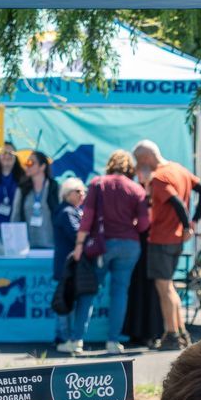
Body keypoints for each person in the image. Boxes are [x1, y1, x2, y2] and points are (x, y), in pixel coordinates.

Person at [72, 150, 150, 355]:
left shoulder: (98, 183)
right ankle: (113, 342)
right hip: (130, 246)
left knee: (89, 290)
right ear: (129, 168)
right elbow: (143, 225)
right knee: (120, 292)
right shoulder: (137, 189)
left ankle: (76, 339)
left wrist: (79, 244)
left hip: (102, 246)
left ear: (110, 164)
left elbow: (87, 218)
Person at [136, 138, 201, 352]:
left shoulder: (160, 177)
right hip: (174, 240)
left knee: (164, 288)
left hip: (162, 238)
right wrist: (193, 222)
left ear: (147, 157)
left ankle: (171, 334)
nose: (139, 166)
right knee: (169, 287)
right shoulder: (179, 169)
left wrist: (187, 226)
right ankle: (180, 331)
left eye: (139, 161)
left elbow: (175, 202)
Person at [52, 179, 89, 354]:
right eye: (78, 191)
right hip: (65, 268)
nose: (82, 194)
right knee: (64, 303)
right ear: (67, 194)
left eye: (84, 191)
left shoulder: (73, 211)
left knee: (67, 303)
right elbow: (77, 235)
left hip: (68, 267)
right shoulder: (67, 212)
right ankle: (63, 339)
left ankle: (65, 338)